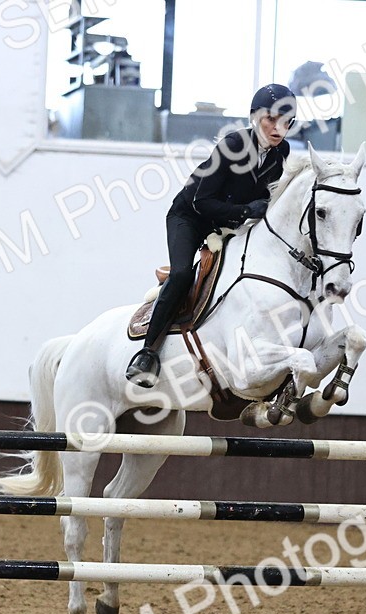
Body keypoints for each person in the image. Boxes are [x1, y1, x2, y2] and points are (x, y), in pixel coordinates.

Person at [125, 83, 297, 388]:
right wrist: (245, 211)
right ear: (255, 118)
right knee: (180, 274)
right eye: (271, 119)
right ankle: (147, 353)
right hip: (190, 218)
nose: (278, 128)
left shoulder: (281, 152)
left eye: (286, 122)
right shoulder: (233, 145)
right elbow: (201, 201)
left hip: (228, 225)